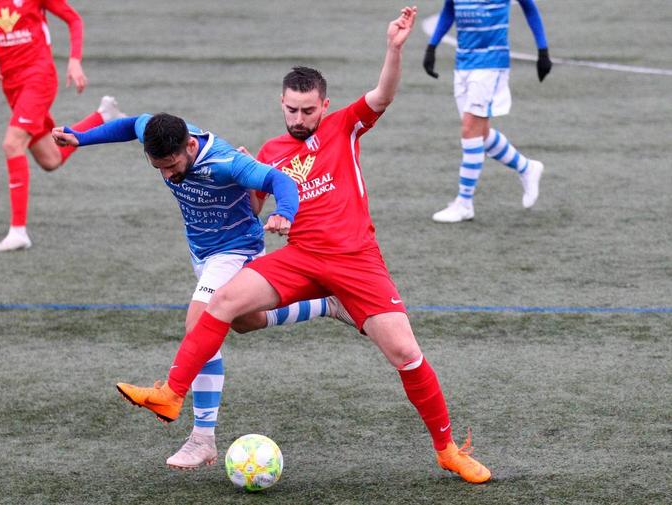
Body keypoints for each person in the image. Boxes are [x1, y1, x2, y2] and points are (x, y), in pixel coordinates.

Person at [115, 6, 492, 484]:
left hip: (356, 262)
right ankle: (170, 392)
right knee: (225, 303)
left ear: (324, 106)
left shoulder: (346, 126)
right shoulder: (271, 152)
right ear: (282, 104)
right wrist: (243, 189)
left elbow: (384, 93)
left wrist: (394, 48)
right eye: (291, 109)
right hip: (299, 259)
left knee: (406, 355)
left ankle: (447, 450)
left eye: (308, 110)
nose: (299, 118)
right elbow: (250, 211)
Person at [52, 113, 355, 469]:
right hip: (204, 253)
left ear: (191, 146)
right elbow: (129, 123)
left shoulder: (227, 162)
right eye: (158, 168)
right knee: (246, 321)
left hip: (237, 249)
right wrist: (81, 138)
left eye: (171, 165)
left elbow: (280, 180)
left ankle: (202, 439)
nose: (167, 175)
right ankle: (328, 305)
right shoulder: (160, 132)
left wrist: (284, 213)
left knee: (199, 321)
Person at [0, 0, 123, 251]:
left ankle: (18, 232)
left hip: (39, 78)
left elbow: (74, 19)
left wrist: (74, 60)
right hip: (12, 86)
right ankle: (103, 115)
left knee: (12, 144)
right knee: (50, 159)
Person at [422, 0, 551, 223]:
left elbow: (529, 7)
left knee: (470, 129)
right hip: (463, 63)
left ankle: (464, 203)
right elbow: (449, 9)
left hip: (491, 64)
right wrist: (432, 46)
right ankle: (527, 168)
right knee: (480, 134)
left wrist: (543, 50)